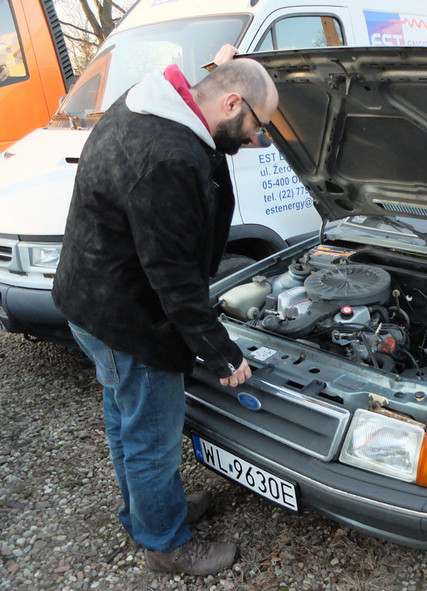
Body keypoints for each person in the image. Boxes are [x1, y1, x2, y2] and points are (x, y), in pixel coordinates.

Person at [52, 46, 278, 576]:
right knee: (151, 435)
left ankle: (146, 512)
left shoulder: (148, 102)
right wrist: (222, 355)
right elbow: (173, 281)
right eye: (256, 126)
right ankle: (167, 544)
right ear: (229, 102)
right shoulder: (168, 157)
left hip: (89, 300)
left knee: (124, 416)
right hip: (129, 318)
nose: (255, 139)